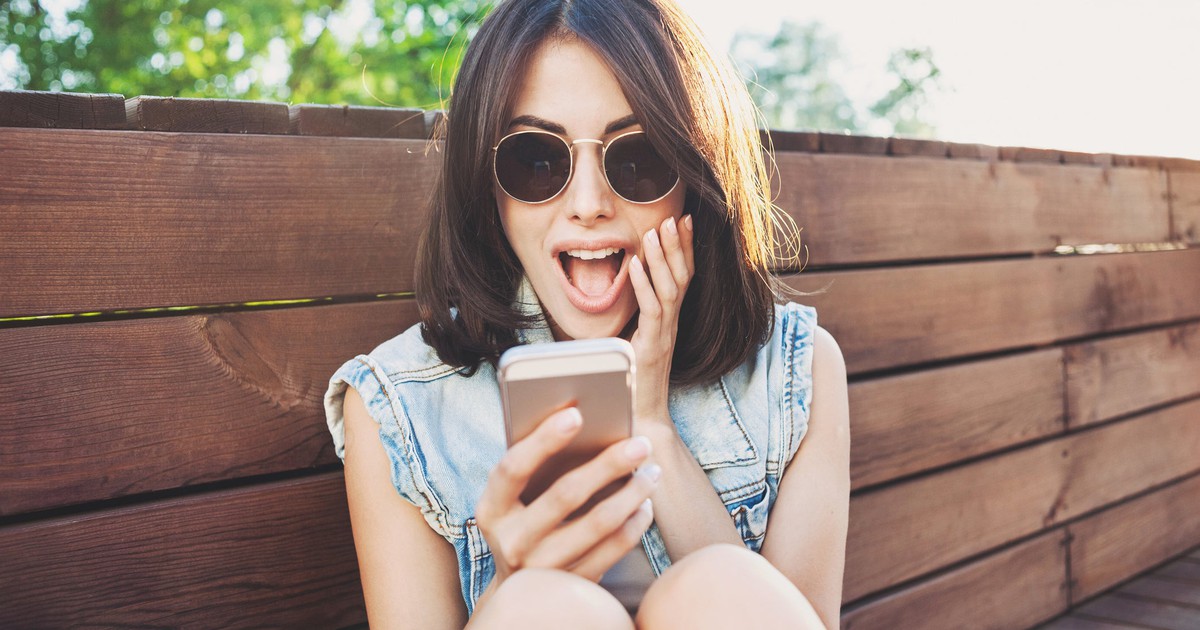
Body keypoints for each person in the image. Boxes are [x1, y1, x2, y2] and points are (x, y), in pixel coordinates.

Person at [323, 0, 850, 627]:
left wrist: (651, 426)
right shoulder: (399, 406)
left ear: (694, 173)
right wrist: (515, 583)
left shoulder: (797, 369)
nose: (589, 203)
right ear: (484, 181)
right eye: (537, 160)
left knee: (720, 583)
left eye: (638, 156)